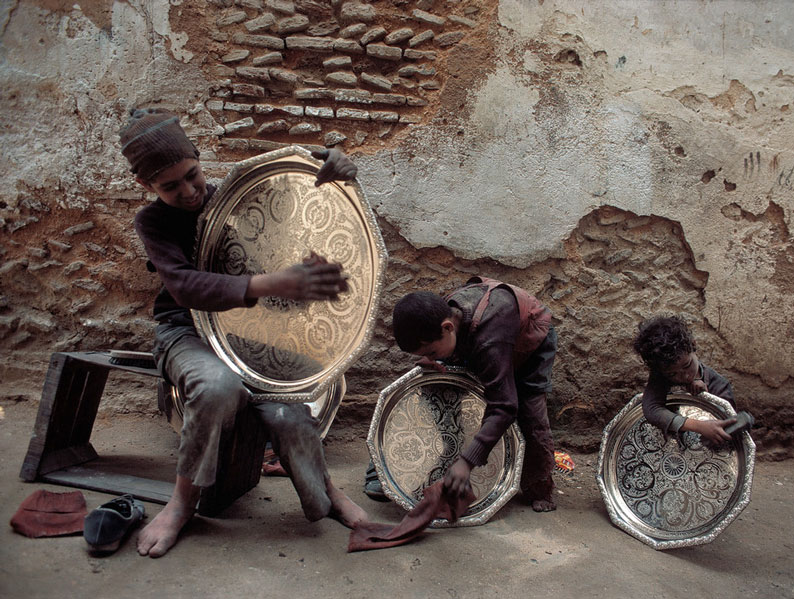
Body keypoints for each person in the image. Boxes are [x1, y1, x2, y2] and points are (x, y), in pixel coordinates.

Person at [119, 107, 368, 558]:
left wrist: (332, 170)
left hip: (249, 336)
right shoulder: (152, 222)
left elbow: (294, 196)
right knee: (218, 386)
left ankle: (326, 492)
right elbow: (183, 286)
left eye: (192, 175)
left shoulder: (237, 199)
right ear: (147, 187)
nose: (189, 191)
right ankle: (181, 503)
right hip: (185, 334)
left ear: (198, 157)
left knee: (292, 406)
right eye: (170, 186)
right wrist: (270, 283)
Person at [389, 276, 558, 512]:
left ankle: (540, 487)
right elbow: (451, 349)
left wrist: (468, 462)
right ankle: (450, 452)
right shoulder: (447, 317)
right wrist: (432, 360)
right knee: (439, 385)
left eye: (431, 351)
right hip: (489, 339)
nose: (431, 357)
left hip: (531, 341)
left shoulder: (489, 335)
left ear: (447, 328)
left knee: (529, 411)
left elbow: (505, 407)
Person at [633, 315, 737, 443]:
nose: (685, 376)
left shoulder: (719, 385)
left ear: (693, 346)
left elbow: (728, 423)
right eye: (672, 374)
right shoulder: (660, 377)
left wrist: (706, 399)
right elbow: (652, 410)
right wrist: (699, 426)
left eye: (687, 365)